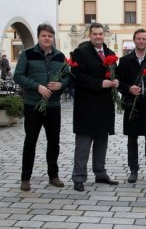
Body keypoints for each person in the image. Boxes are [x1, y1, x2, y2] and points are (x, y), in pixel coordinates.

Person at [14, 23, 71, 191]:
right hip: (32, 105)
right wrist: (37, 86)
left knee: (54, 141)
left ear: (53, 38)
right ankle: (25, 178)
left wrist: (60, 85)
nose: (47, 38)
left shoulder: (60, 56)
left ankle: (53, 175)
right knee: (30, 141)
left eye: (50, 36)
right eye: (44, 36)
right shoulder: (27, 54)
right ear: (38, 37)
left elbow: (68, 77)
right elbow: (18, 76)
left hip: (53, 105)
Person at [71, 23, 119, 192]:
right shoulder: (80, 52)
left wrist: (116, 81)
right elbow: (77, 76)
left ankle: (100, 173)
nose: (98, 37)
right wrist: (99, 83)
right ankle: (78, 177)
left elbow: (115, 73)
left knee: (101, 142)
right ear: (89, 35)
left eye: (100, 34)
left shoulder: (111, 54)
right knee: (83, 144)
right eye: (95, 34)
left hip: (104, 106)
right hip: (86, 106)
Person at [118, 28, 146, 184]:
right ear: (134, 40)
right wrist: (129, 88)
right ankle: (133, 170)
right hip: (132, 105)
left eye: (144, 38)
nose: (141, 41)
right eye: (138, 38)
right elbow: (119, 83)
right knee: (132, 139)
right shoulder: (125, 61)